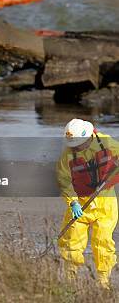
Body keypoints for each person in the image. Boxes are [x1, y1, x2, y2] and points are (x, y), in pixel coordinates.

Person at [57, 118, 118, 289]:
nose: (76, 147)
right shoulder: (67, 155)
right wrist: (73, 203)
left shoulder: (105, 141)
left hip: (105, 204)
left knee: (103, 242)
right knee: (72, 242)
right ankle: (70, 279)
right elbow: (64, 181)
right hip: (80, 204)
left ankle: (103, 281)